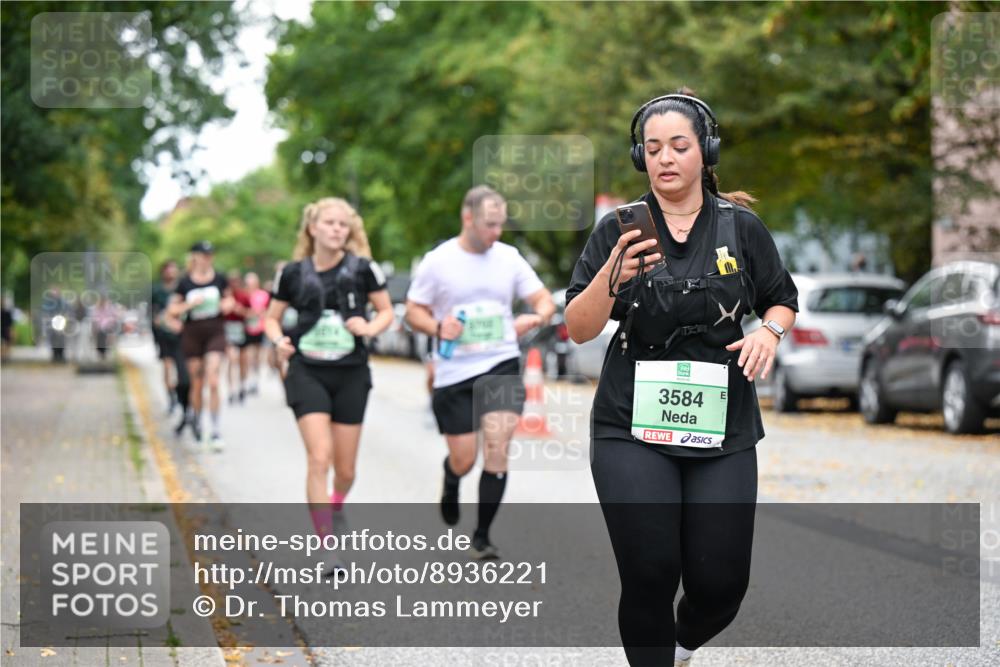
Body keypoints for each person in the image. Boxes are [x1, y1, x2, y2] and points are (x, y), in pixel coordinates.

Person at [564, 92, 798, 666]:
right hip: (630, 423)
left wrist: (769, 331)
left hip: (723, 426)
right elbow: (577, 327)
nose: (665, 157)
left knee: (721, 585)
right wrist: (613, 276)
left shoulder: (742, 228)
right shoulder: (619, 230)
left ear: (706, 150)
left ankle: (682, 643)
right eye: (652, 147)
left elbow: (782, 300)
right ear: (639, 157)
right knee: (650, 570)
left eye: (679, 145)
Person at [405, 185, 555, 560]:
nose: (497, 232)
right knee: (465, 458)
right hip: (454, 372)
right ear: (467, 218)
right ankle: (452, 477)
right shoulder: (438, 262)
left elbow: (543, 300)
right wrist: (439, 328)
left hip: (501, 362)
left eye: (501, 224)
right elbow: (413, 311)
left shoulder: (509, 258)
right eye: (490, 224)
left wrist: (535, 317)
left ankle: (483, 536)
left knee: (497, 446)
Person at [263, 197, 393, 565]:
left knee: (346, 470)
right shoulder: (291, 273)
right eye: (330, 223)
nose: (337, 229)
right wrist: (278, 341)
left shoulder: (364, 270)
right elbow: (271, 318)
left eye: (343, 224)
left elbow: (385, 312)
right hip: (307, 371)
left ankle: (336, 504)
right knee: (319, 458)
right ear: (312, 228)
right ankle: (326, 545)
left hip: (351, 372)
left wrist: (368, 327)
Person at [168, 241, 234, 450]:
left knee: (213, 380)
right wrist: (190, 305)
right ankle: (198, 421)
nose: (207, 258)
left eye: (210, 255)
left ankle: (215, 429)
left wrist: (226, 305)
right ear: (194, 257)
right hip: (192, 334)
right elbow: (172, 310)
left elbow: (230, 301)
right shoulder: (185, 283)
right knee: (197, 383)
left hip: (215, 331)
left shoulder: (220, 279)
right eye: (203, 255)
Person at [152, 261, 183, 413]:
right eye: (168, 270)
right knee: (167, 366)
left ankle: (180, 391)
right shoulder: (157, 290)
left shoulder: (182, 287)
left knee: (181, 368)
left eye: (173, 270)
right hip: (164, 334)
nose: (171, 273)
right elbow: (152, 313)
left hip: (180, 334)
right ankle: (170, 396)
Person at [239, 272, 270, 396]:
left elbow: (268, 310)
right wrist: (248, 313)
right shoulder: (244, 294)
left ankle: (254, 379)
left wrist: (261, 313)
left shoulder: (263, 295)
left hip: (259, 328)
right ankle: (245, 380)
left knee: (256, 355)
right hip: (246, 329)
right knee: (247, 355)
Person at [223, 270, 248, 404]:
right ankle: (231, 389)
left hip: (241, 330)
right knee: (232, 359)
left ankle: (242, 385)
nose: (233, 284)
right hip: (227, 330)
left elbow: (251, 313)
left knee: (242, 361)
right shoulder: (224, 297)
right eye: (231, 281)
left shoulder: (243, 296)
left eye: (236, 281)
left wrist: (240, 310)